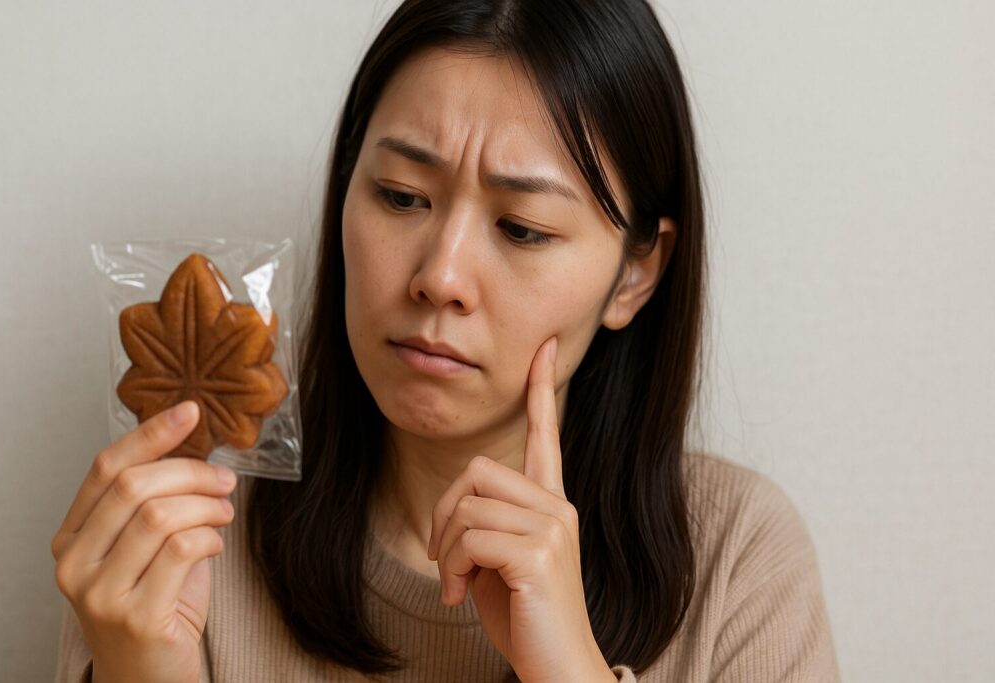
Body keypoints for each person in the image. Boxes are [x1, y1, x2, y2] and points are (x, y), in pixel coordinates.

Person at [52, 0, 842, 681]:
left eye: (523, 228)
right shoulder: (178, 533)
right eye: (401, 195)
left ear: (634, 275)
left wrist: (569, 667)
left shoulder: (739, 559)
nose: (441, 275)